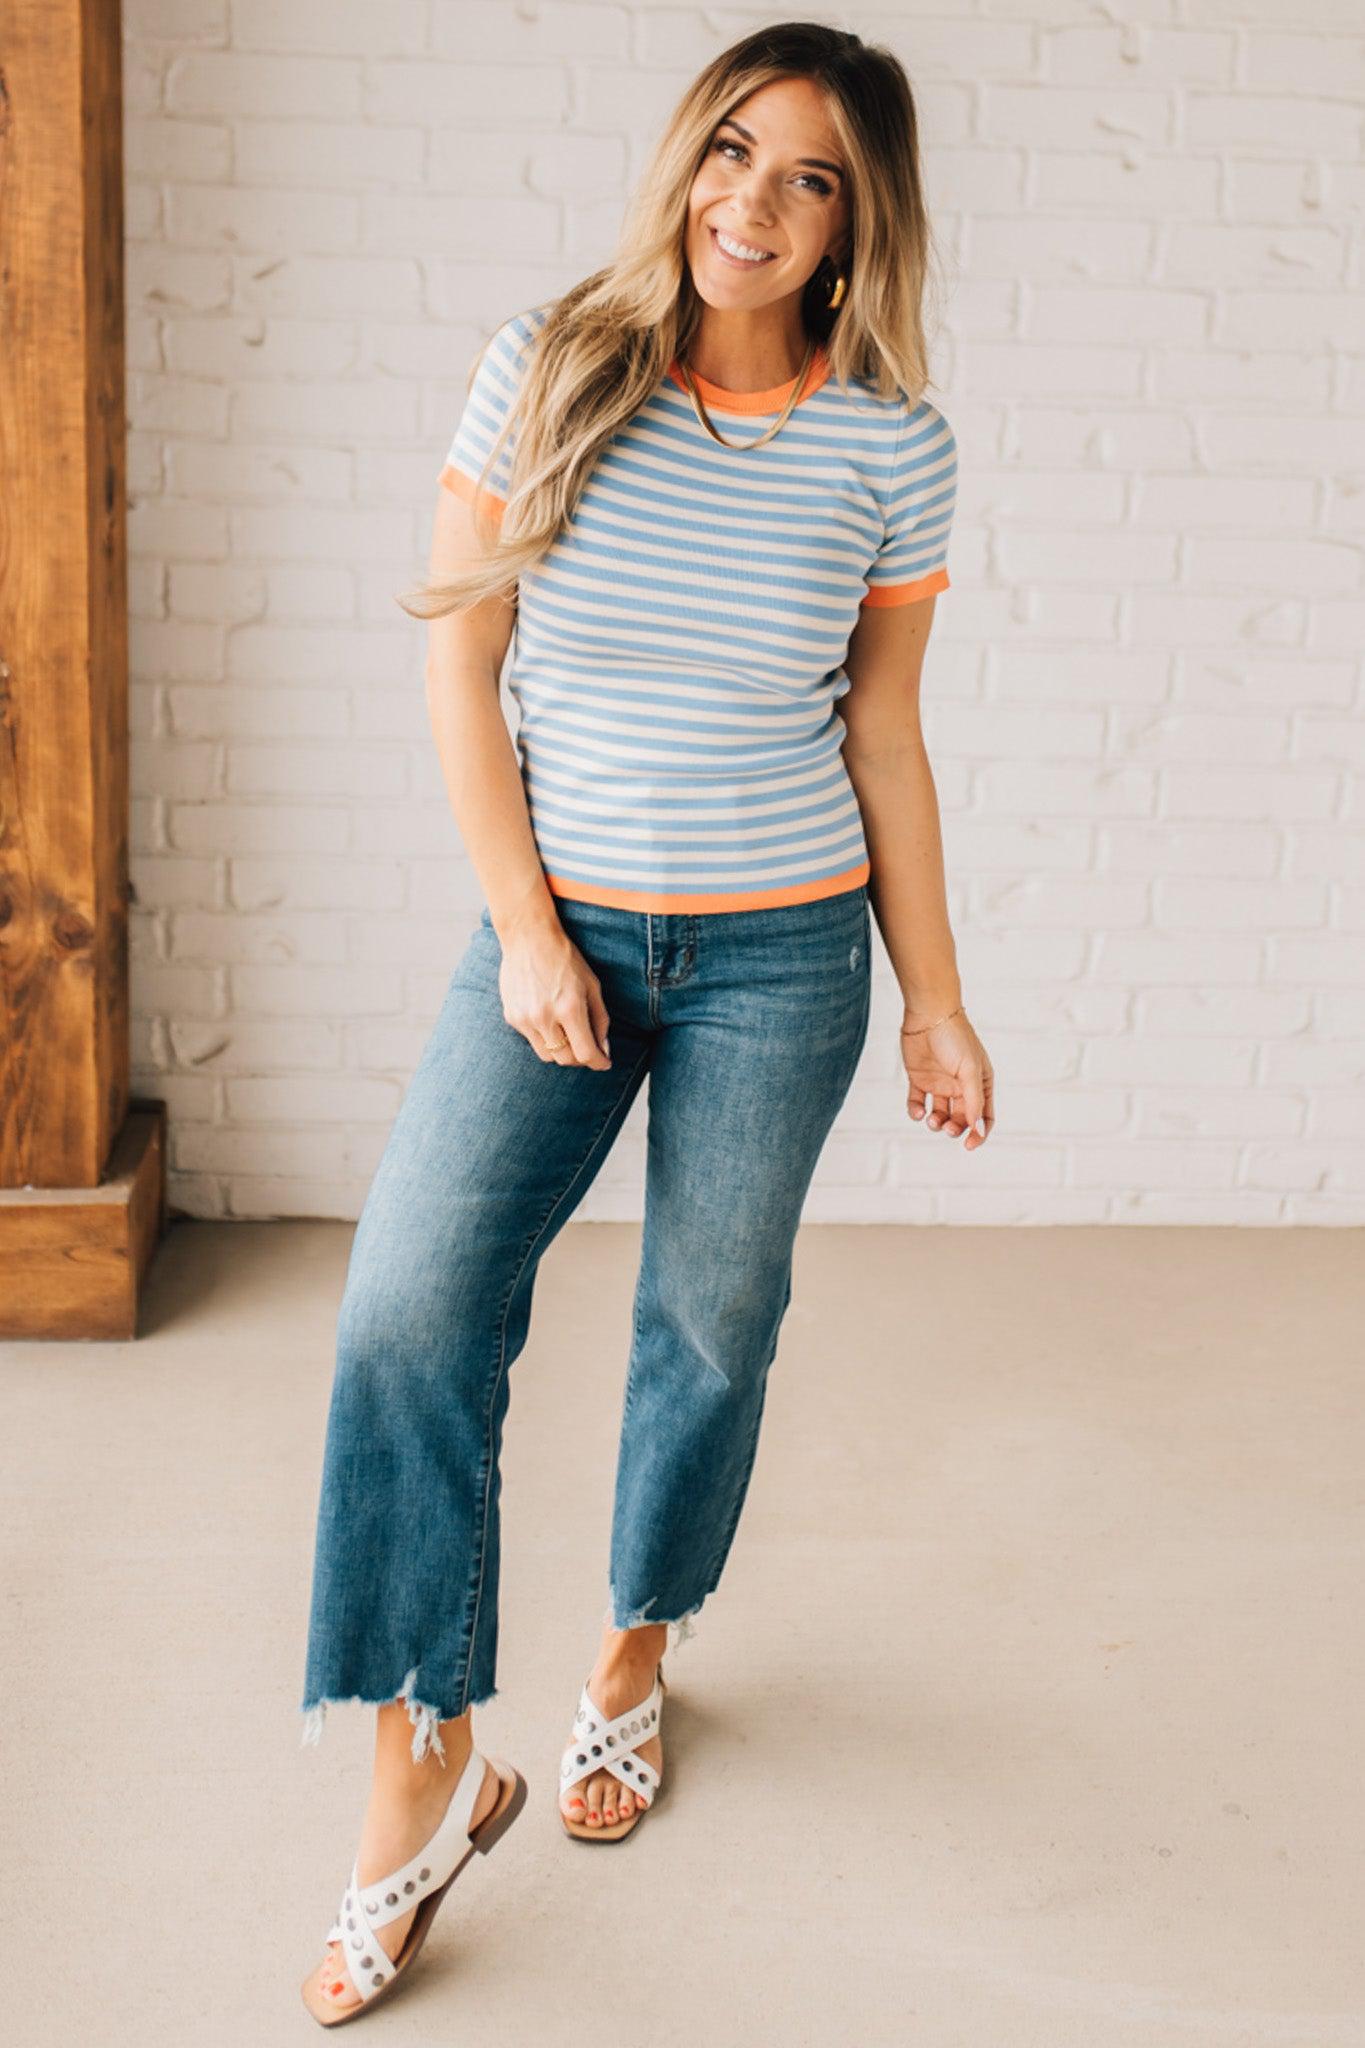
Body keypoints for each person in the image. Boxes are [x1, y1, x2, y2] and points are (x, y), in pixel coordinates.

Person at [297, 19, 994, 2025]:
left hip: (786, 954)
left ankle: (629, 1658)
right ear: (682, 155)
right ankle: (427, 1758)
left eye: (809, 179)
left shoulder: (891, 443)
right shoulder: (551, 362)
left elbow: (882, 732)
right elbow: (458, 664)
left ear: (863, 224)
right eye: (730, 153)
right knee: (410, 1306)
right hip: (562, 931)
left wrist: (932, 999)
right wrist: (525, 931)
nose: (749, 207)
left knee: (710, 1318)